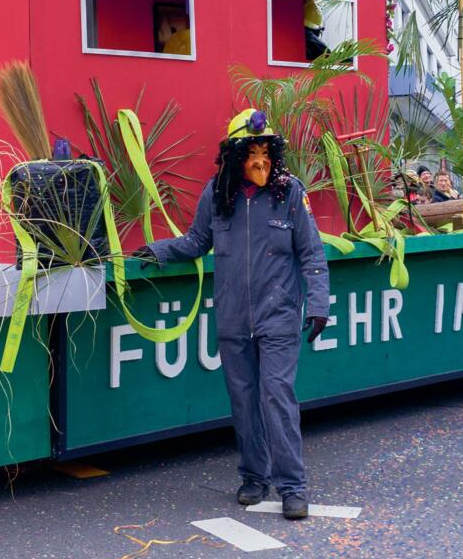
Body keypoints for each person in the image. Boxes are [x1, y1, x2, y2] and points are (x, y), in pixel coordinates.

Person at [131, 109, 329, 519]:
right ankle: (254, 477)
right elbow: (196, 241)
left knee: (276, 396)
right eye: (252, 153)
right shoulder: (217, 194)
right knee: (243, 400)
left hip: (279, 316)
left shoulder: (290, 192)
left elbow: (312, 254)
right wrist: (157, 251)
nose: (261, 161)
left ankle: (292, 487)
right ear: (236, 156)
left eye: (266, 153)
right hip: (233, 318)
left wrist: (319, 305)